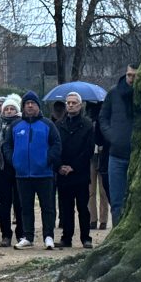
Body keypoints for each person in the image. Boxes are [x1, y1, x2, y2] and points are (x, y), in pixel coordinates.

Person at [3, 90, 61, 249]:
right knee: (25, 207)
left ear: (38, 106)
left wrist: (47, 160)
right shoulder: (15, 126)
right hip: (22, 174)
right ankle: (27, 236)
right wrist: (14, 160)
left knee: (47, 207)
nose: (29, 105)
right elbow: (7, 146)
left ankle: (48, 236)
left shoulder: (48, 124)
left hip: (44, 173)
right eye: (27, 103)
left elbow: (56, 145)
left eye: (33, 103)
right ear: (23, 107)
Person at [55, 92, 96, 249]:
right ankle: (66, 237)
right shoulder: (59, 125)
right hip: (63, 173)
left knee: (82, 207)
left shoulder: (87, 125)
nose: (71, 105)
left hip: (80, 173)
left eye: (74, 103)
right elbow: (55, 147)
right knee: (66, 208)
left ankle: (86, 237)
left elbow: (88, 149)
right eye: (68, 103)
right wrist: (60, 166)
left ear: (80, 105)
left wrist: (74, 167)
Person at [100, 64, 137, 225]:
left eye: (135, 76)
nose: (131, 79)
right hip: (116, 154)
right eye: (129, 75)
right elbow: (103, 117)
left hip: (138, 154)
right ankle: (117, 230)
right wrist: (111, 136)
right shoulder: (114, 93)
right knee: (116, 201)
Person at [0, 93, 23, 247]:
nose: (8, 111)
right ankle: (5, 234)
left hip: (19, 169)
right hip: (2, 169)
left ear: (17, 110)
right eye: (6, 109)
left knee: (20, 203)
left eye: (11, 108)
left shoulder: (22, 126)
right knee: (4, 204)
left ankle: (22, 233)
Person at [86, 101, 109, 230]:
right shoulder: (88, 123)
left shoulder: (104, 122)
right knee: (91, 190)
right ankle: (93, 219)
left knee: (103, 191)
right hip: (92, 158)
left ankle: (103, 220)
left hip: (102, 157)